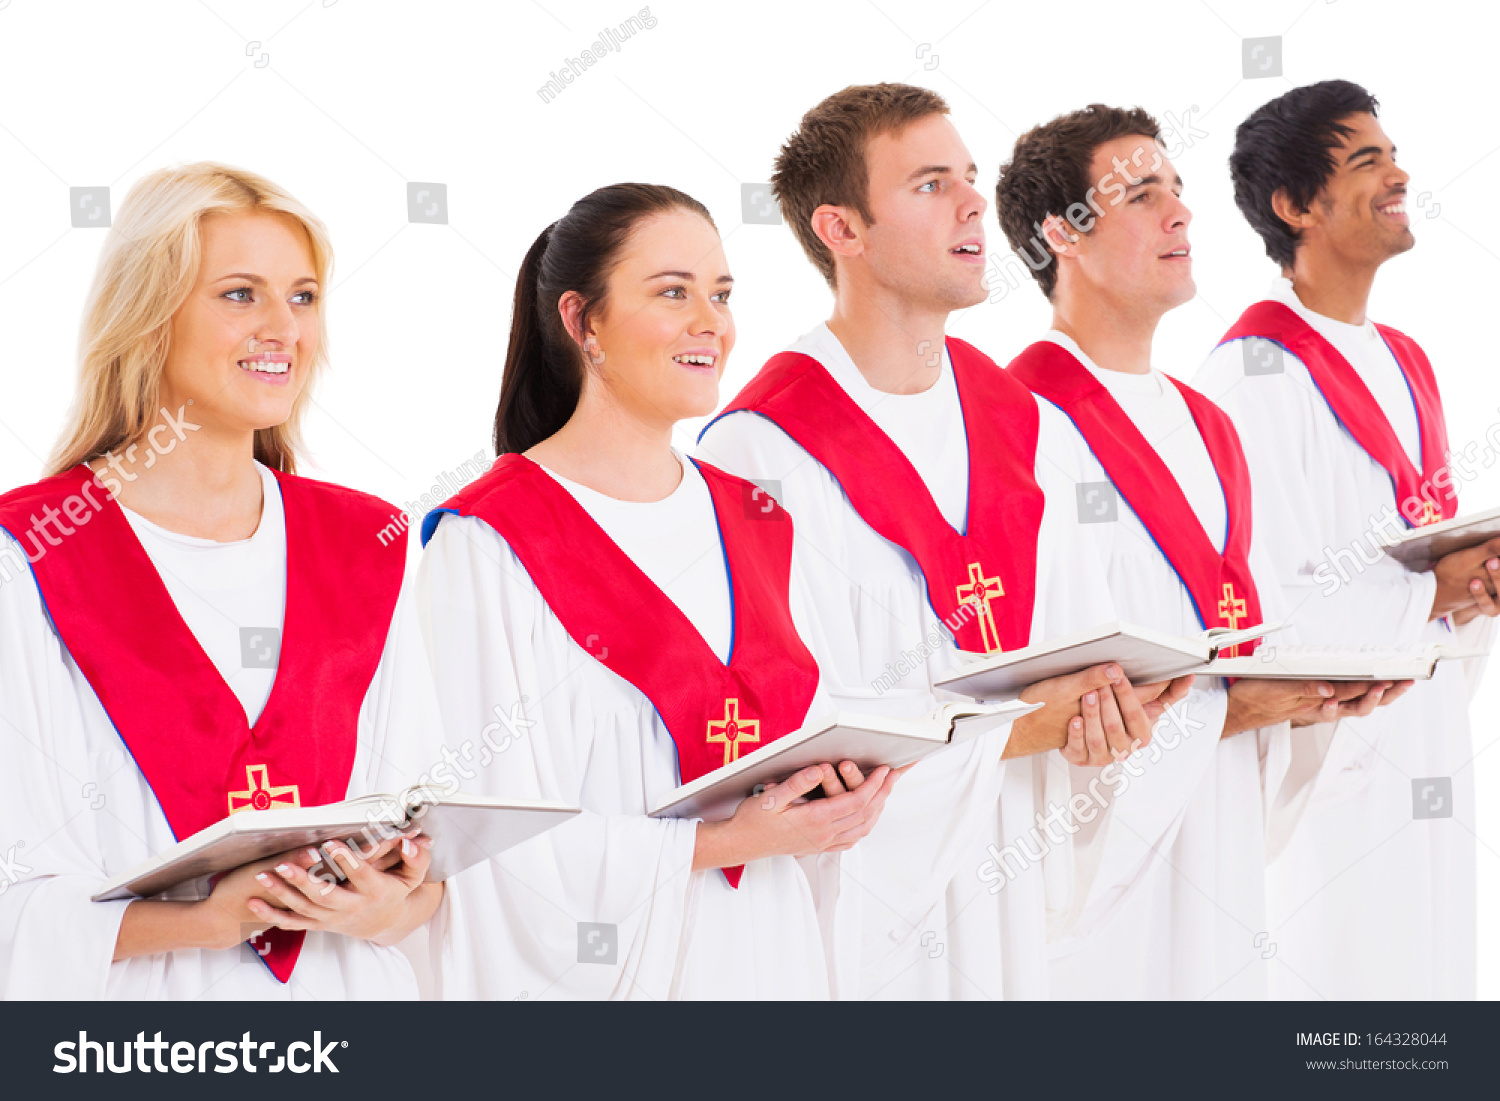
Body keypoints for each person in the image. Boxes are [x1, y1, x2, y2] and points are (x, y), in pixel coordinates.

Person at [697, 84, 1187, 1000]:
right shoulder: (756, 450)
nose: (973, 203)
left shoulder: (1024, 423)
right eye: (931, 184)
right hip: (861, 908)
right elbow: (789, 736)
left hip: (1006, 883)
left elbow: (1077, 662)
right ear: (841, 229)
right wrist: (1019, 728)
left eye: (968, 177)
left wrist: (1096, 721)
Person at [418, 183, 903, 1000]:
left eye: (719, 294)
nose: (711, 321)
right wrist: (715, 842)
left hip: (773, 956)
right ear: (583, 322)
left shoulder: (759, 520)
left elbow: (814, 722)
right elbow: (487, 844)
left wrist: (842, 791)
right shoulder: (487, 543)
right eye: (673, 292)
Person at [0, 163, 445, 1000]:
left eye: (304, 297)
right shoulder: (30, 556)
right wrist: (206, 919)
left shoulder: (366, 541)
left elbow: (421, 861)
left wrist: (385, 901)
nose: (284, 328)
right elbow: (13, 890)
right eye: (241, 294)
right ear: (149, 315)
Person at [995, 104, 1405, 999]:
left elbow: (1235, 643)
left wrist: (1301, 700)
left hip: (1214, 831)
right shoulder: (1012, 425)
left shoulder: (1209, 424)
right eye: (1143, 195)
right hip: (1096, 870)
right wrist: (1228, 711)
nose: (1181, 214)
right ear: (1061, 234)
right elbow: (1034, 693)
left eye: (1178, 191)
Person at [1195, 80, 1498, 999]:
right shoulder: (1251, 376)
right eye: (1366, 160)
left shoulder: (1407, 358)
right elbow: (1263, 608)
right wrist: (1433, 594)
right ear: (1295, 207)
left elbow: (1416, 543)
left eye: (1392, 153)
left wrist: (1476, 584)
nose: (1399, 174)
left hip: (1428, 736)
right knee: (1343, 1003)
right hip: (1333, 764)